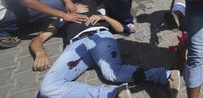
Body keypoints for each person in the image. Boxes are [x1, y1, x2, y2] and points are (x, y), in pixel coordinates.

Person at [31, 7, 180, 98]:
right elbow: (38, 40)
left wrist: (103, 17)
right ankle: (114, 95)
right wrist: (40, 53)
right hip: (76, 46)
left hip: (100, 36)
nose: (76, 5)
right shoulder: (63, 19)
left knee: (112, 73)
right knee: (47, 88)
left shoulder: (97, 12)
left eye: (80, 3)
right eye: (72, 5)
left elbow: (122, 30)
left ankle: (166, 76)